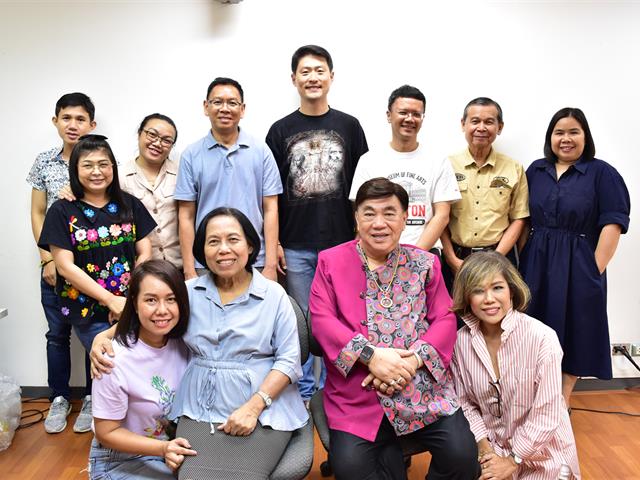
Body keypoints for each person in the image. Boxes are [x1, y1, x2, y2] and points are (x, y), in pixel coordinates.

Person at [309, 177, 479, 480]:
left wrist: (412, 361)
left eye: (389, 213)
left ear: (404, 219)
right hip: (358, 392)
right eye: (369, 213)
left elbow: (445, 319)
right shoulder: (330, 262)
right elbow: (321, 320)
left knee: (463, 457)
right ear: (356, 218)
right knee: (350, 470)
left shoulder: (425, 263)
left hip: (420, 388)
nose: (379, 223)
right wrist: (372, 357)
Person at [266, 45, 368, 402]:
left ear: (331, 76)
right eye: (305, 71)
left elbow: (362, 188)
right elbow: (271, 195)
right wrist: (274, 242)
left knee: (340, 316)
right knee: (303, 320)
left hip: (341, 241)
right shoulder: (280, 130)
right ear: (294, 79)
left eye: (319, 70)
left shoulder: (349, 126)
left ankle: (333, 388)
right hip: (295, 243)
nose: (313, 77)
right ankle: (306, 390)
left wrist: (360, 236)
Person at [38, 134, 156, 435]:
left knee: (131, 363)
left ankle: (124, 419)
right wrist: (110, 299)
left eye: (103, 164)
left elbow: (145, 251)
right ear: (75, 170)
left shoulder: (129, 204)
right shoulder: (62, 210)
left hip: (130, 300)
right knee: (107, 359)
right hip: (87, 305)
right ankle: (104, 423)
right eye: (87, 165)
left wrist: (130, 295)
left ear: (112, 168)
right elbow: (64, 265)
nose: (96, 171)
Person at [519, 107, 630, 406]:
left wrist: (594, 269)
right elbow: (523, 219)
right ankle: (532, 398)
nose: (566, 139)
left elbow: (613, 222)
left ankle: (561, 401)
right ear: (550, 137)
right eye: (559, 132)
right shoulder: (536, 170)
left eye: (573, 132)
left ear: (585, 136)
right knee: (533, 326)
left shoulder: (602, 173)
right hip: (536, 261)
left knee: (577, 329)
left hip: (579, 263)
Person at [451, 251, 580, 479]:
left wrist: (513, 460)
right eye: (478, 290)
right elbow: (465, 403)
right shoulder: (460, 342)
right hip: (492, 450)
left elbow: (548, 414)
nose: (489, 298)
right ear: (467, 297)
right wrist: (485, 449)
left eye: (497, 287)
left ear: (512, 290)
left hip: (545, 455)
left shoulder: (542, 338)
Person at [27, 92, 97, 433]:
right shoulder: (44, 162)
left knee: (92, 334)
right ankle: (59, 397)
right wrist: (47, 259)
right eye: (66, 118)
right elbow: (37, 213)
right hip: (56, 264)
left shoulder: (97, 159)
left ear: (91, 124)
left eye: (80, 119)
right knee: (57, 334)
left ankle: (91, 398)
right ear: (56, 121)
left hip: (92, 268)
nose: (73, 125)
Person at [90, 260, 196, 479]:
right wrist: (163, 449)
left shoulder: (185, 342)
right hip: (122, 458)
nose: (162, 310)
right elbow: (106, 432)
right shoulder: (113, 359)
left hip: (170, 449)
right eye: (150, 300)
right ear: (135, 304)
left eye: (171, 299)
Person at [175, 77, 282, 282]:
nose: (225, 108)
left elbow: (271, 209)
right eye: (217, 102)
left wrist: (270, 265)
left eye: (232, 103)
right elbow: (186, 215)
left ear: (242, 109)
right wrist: (189, 270)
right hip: (206, 260)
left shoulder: (261, 151)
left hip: (255, 259)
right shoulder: (191, 155)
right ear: (206, 107)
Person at [350, 84, 460, 253]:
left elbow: (442, 215)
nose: (410, 119)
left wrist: (413, 256)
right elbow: (360, 213)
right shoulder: (369, 161)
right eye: (403, 112)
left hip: (425, 252)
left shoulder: (438, 160)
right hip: (377, 253)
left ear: (423, 118)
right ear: (389, 115)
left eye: (416, 114)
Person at [441, 97, 529, 292]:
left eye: (489, 122)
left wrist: (496, 257)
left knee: (497, 316)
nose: (481, 127)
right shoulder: (446, 166)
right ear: (463, 124)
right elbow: (440, 217)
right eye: (475, 121)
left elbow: (519, 218)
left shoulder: (513, 168)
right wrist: (451, 258)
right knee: (456, 318)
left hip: (500, 256)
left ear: (500, 127)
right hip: (457, 258)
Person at [120, 113, 182, 268]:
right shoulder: (118, 176)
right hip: (142, 267)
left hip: (179, 266)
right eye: (152, 135)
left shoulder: (182, 173)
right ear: (139, 134)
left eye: (166, 140)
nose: (157, 143)